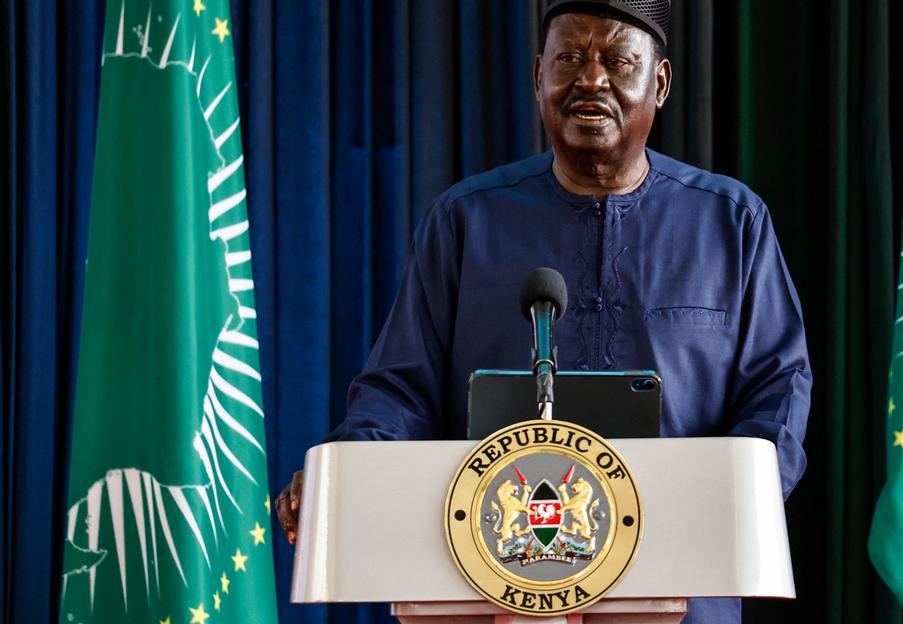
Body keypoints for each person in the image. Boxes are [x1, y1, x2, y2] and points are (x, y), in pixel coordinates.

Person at [277, 1, 811, 621]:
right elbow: (400, 389)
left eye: (617, 61)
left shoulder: (731, 223)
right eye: (569, 59)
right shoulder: (467, 222)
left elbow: (778, 390)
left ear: (659, 83)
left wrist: (730, 499)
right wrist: (345, 478)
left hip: (683, 590)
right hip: (491, 586)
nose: (590, 80)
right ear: (538, 79)